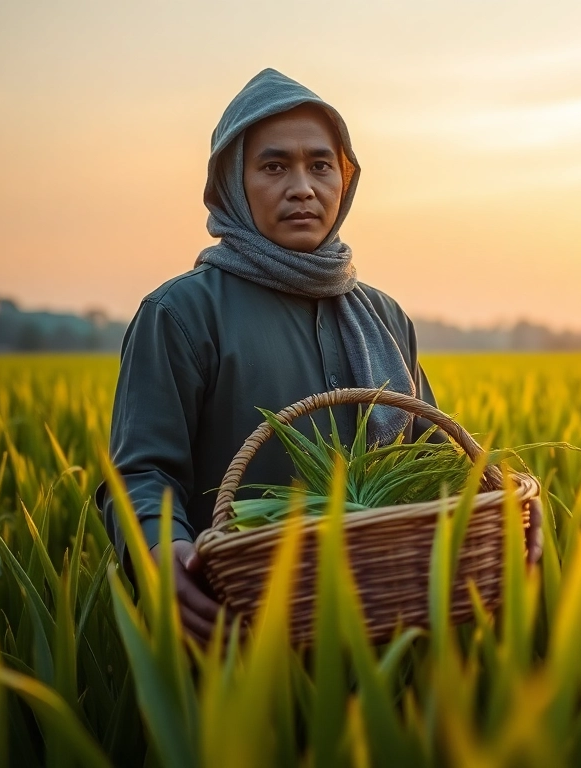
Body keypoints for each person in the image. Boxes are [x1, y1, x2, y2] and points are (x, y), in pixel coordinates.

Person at [96, 69, 541, 643]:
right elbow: (141, 471)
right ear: (232, 183)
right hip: (239, 628)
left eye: (321, 165)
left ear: (344, 179)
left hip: (390, 626)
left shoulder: (383, 315)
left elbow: (436, 457)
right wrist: (163, 551)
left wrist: (503, 499)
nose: (303, 187)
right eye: (274, 167)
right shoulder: (181, 312)